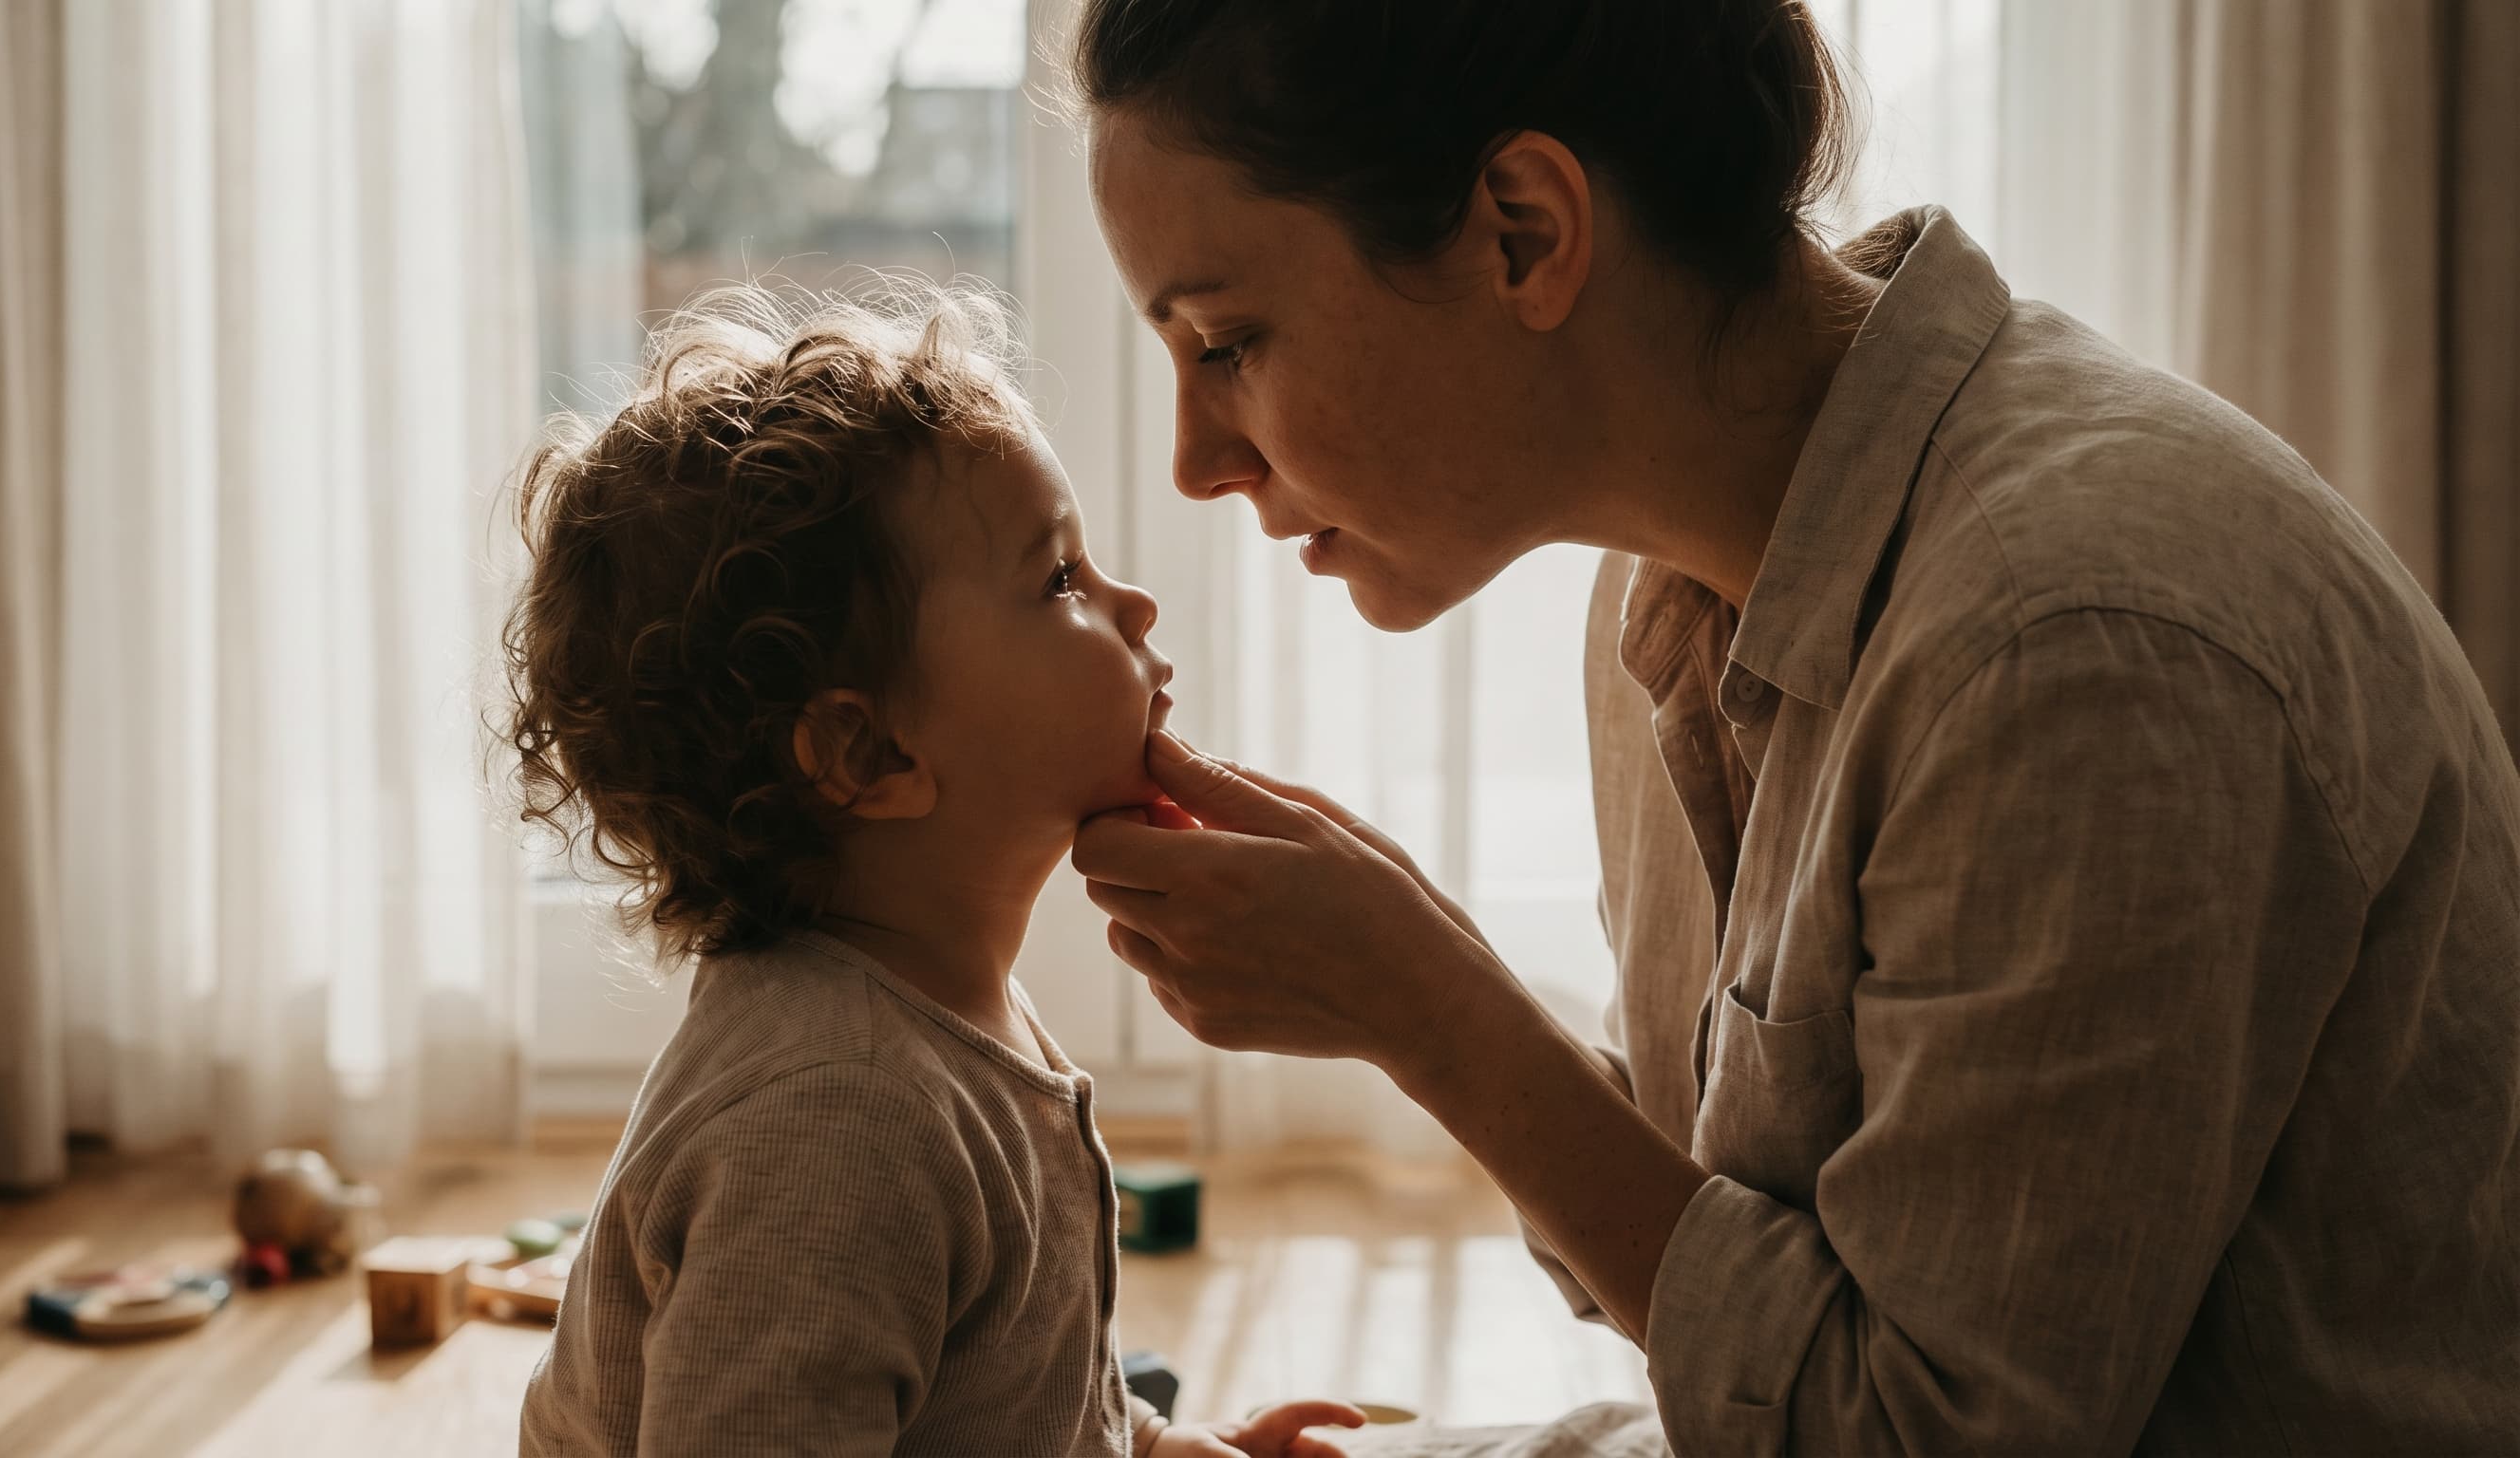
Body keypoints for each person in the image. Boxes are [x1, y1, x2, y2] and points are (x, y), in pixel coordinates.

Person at [1063, 2, 2520, 1453]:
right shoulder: (1677, 583)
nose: (1196, 462)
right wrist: (1406, 956)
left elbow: (1908, 1437)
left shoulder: (2070, 641)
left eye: (1228, 340)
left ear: (1521, 231)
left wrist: (1428, 1014)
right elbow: (1734, 1243)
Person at [502, 284, 1363, 1457]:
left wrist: (1160, 1451)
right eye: (1059, 580)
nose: (1134, 602)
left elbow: (1009, 1396)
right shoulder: (833, 1119)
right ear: (870, 752)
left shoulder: (938, 1015)